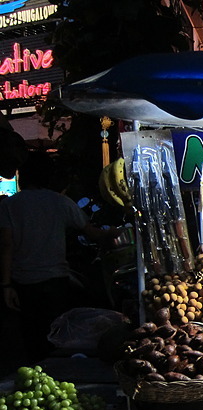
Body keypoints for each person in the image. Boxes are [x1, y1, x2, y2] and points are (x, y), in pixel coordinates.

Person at [0, 151, 119, 367]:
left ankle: (35, 373)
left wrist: (6, 284)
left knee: (31, 338)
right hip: (56, 281)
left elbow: (6, 245)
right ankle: (58, 374)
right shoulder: (60, 202)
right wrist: (112, 234)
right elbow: (93, 233)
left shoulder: (9, 205)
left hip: (23, 284)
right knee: (57, 335)